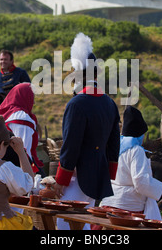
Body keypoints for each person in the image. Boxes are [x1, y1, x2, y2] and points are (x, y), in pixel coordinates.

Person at [53, 33, 121, 230]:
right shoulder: (110, 103)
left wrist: (61, 179)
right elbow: (114, 143)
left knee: (65, 228)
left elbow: (71, 145)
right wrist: (109, 172)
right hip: (97, 175)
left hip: (76, 178)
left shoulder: (76, 104)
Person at [100, 106, 162, 220]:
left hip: (107, 203)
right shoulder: (136, 150)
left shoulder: (115, 147)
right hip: (127, 209)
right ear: (140, 133)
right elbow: (141, 182)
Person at [0, 82, 44, 176]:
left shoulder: (6, 114)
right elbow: (23, 150)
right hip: (17, 168)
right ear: (24, 96)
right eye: (31, 97)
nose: (33, 102)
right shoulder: (22, 119)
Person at [0, 50, 31, 120]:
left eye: (5, 59)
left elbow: (29, 90)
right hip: (0, 109)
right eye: (1, 59)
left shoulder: (21, 73)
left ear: (12, 61)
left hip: (18, 108)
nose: (3, 62)